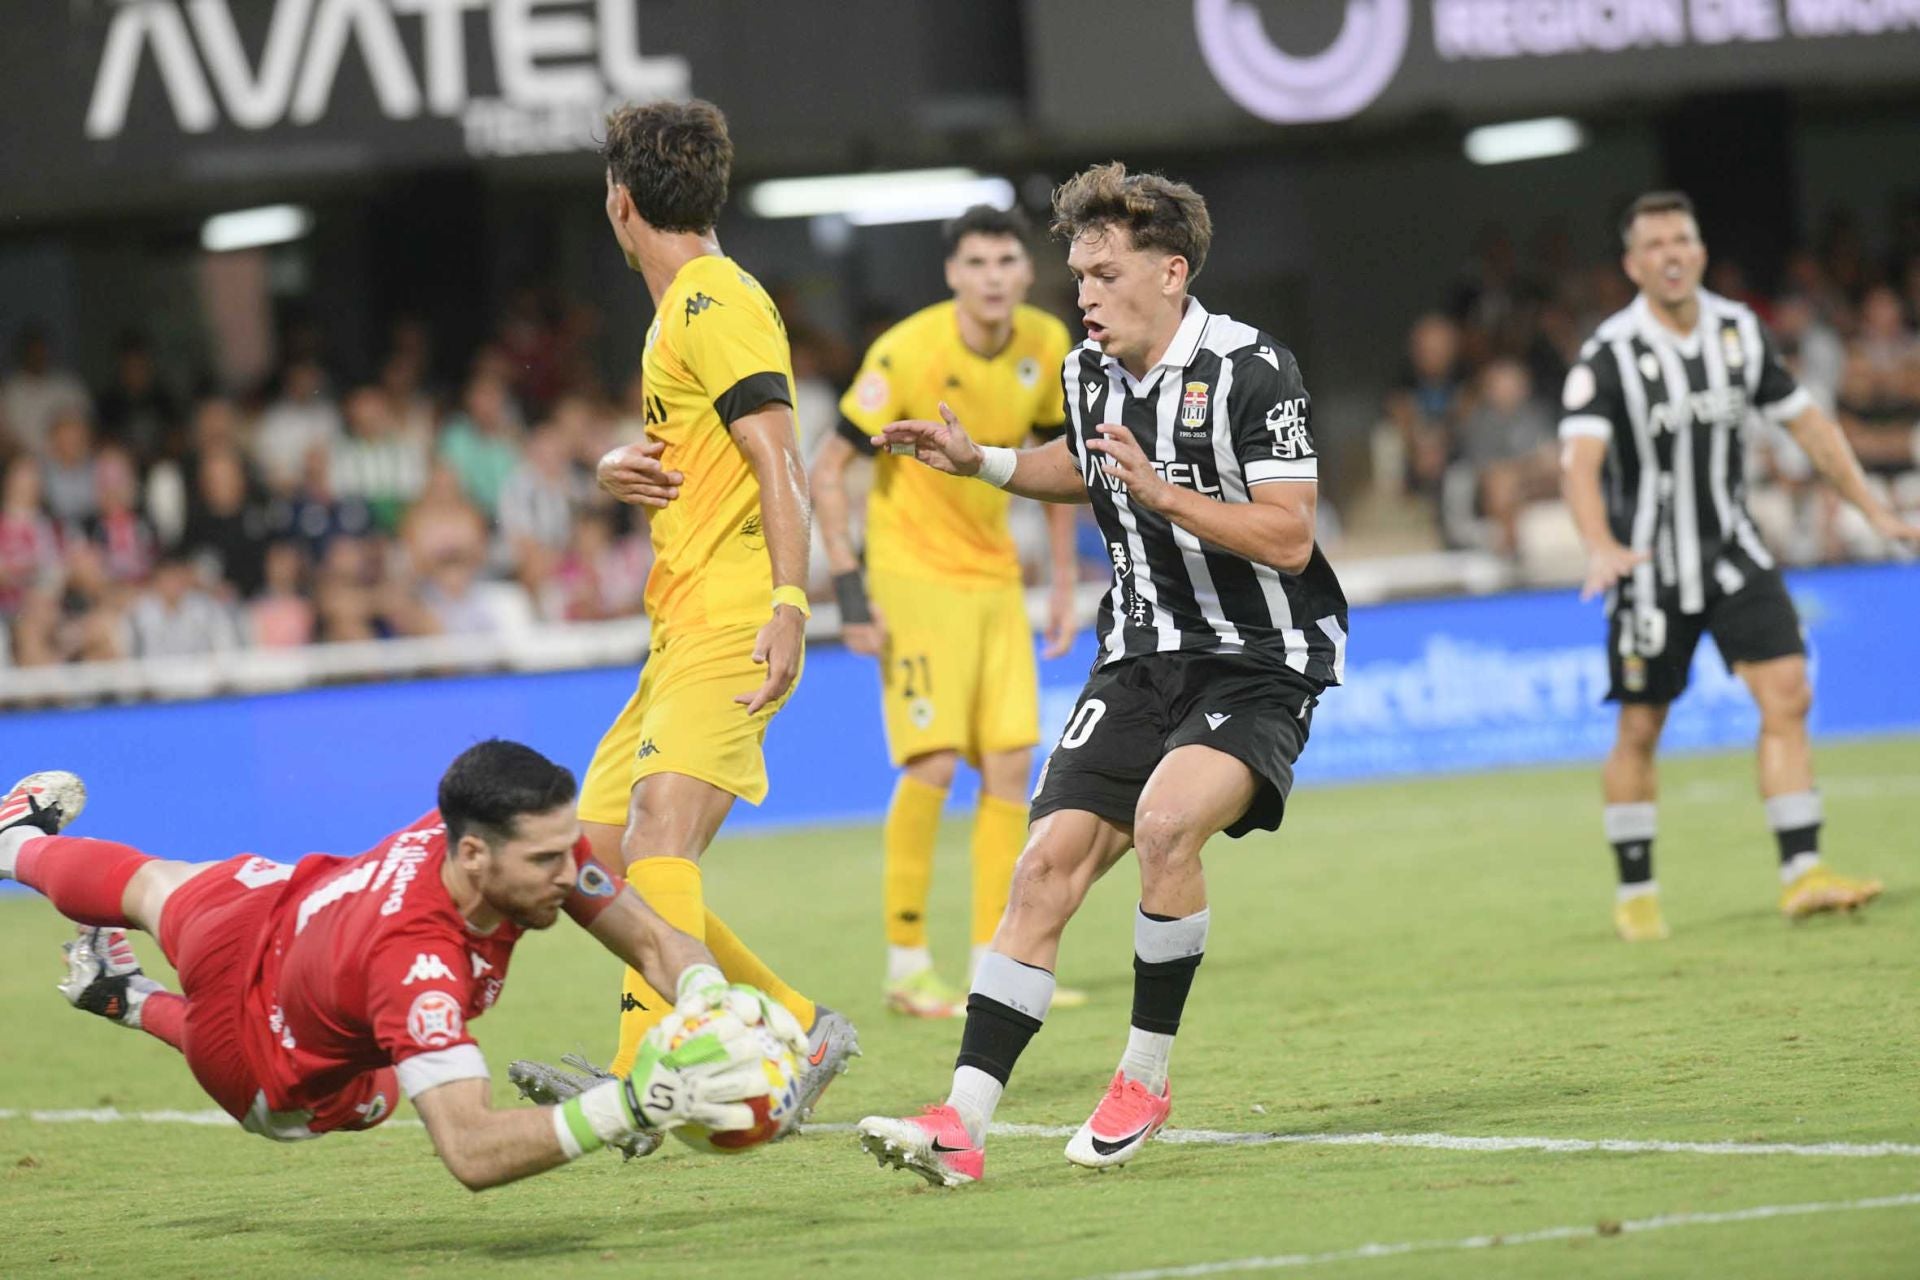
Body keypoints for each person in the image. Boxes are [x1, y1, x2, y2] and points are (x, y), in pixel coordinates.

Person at [853, 163, 1348, 1184]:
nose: (1081, 292)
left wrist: (1166, 493)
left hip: (1258, 658)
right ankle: (962, 1121)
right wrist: (983, 460)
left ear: (1170, 273)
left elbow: (1291, 537)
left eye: (1104, 272)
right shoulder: (1085, 372)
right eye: (1076, 272)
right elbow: (1084, 467)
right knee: (1041, 870)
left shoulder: (1256, 370)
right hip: (1135, 656)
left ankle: (1143, 1075)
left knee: (1167, 825)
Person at [0, 742, 802, 1189]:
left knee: (152, 883)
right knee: (379, 1098)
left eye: (572, 849)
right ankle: (130, 999)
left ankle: (17, 844)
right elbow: (471, 1150)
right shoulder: (417, 968)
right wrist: (629, 1106)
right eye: (550, 858)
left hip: (277, 908)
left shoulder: (501, 841)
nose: (574, 872)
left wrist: (706, 995)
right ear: (476, 855)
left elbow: (657, 939)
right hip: (254, 1058)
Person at [515, 99, 858, 1127]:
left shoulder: (714, 301)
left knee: (660, 829)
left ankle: (637, 1070)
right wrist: (622, 462)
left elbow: (777, 458)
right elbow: (714, 448)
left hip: (735, 610)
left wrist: (793, 604)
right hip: (682, 622)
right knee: (594, 852)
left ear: (622, 205)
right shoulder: (685, 315)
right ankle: (796, 1021)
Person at [1558, 191, 1920, 942]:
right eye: (1653, 244)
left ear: (1700, 250)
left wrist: (1872, 511)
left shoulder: (1739, 332)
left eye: (1681, 239)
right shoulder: (1609, 355)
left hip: (1734, 554)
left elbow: (1811, 428)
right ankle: (1637, 891)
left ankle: (1803, 874)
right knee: (1640, 727)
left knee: (1788, 695)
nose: (1670, 254)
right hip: (1650, 567)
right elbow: (1579, 464)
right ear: (1632, 264)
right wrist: (1597, 543)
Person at [810, 205, 1083, 1018]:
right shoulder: (905, 353)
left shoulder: (1046, 344)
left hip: (997, 577)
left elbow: (1056, 467)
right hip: (913, 575)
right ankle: (905, 966)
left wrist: (1065, 581)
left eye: (1007, 260)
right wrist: (852, 595)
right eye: (977, 263)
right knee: (930, 764)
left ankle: (993, 962)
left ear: (1026, 272)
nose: (994, 276)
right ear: (953, 275)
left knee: (1009, 764)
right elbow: (828, 470)